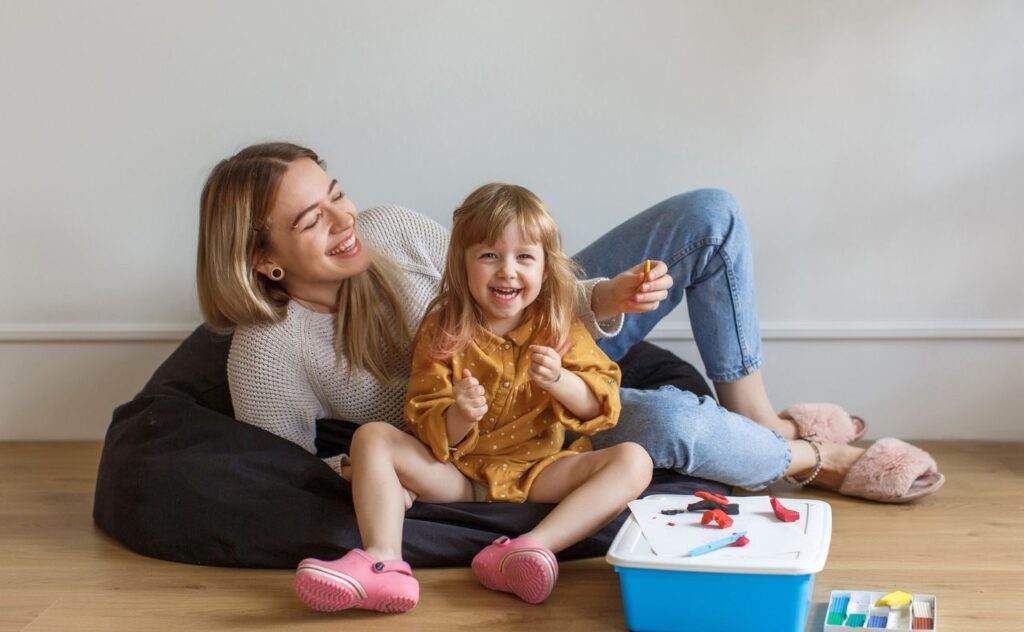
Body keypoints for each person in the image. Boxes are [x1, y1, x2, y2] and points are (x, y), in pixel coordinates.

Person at [196, 141, 943, 599]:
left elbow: (512, 278)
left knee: (710, 213)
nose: (344, 219)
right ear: (262, 259)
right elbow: (283, 485)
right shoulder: (270, 350)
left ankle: (755, 414)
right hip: (490, 443)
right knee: (669, 428)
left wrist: (605, 299)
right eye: (311, 220)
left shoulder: (392, 228)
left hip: (556, 349)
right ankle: (814, 458)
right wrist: (425, 440)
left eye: (335, 194)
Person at [291, 183, 653, 612]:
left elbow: (601, 406)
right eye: (489, 256)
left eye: (524, 257)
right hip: (457, 476)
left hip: (538, 472)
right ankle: (384, 564)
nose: (507, 271)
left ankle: (530, 549)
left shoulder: (557, 325)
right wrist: (460, 414)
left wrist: (559, 380)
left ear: (544, 268)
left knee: (635, 461)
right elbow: (422, 415)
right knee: (371, 437)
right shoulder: (443, 327)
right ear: (461, 265)